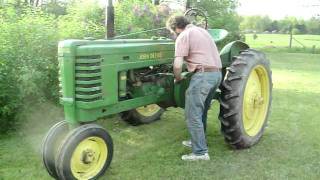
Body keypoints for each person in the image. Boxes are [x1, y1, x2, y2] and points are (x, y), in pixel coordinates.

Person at [166, 15, 222, 161]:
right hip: (216, 74)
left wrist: (178, 78)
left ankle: (200, 153)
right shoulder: (203, 32)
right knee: (201, 110)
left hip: (203, 76)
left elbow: (177, 65)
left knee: (192, 113)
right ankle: (197, 141)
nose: (175, 34)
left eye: (174, 32)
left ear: (176, 28)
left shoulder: (183, 35)